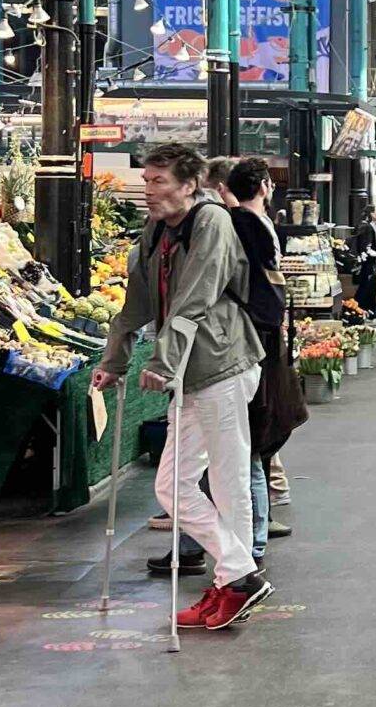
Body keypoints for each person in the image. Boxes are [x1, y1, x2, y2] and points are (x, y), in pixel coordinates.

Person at [94, 143, 269, 632]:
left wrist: (163, 361)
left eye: (159, 181)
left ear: (189, 185)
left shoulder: (211, 222)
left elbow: (195, 297)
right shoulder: (156, 230)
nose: (148, 191)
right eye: (146, 181)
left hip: (223, 363)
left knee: (229, 483)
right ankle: (239, 574)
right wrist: (115, 359)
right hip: (191, 373)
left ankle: (233, 582)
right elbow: (138, 300)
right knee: (173, 485)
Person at [216, 156, 298, 583]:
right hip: (261, 341)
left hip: (249, 343)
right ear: (265, 186)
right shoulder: (256, 225)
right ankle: (251, 540)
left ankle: (252, 542)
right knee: (251, 445)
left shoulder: (241, 225)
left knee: (246, 446)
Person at [349, 210, 376, 313]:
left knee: (366, 288)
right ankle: (365, 312)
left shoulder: (361, 226)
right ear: (370, 215)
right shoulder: (368, 227)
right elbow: (367, 248)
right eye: (375, 212)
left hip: (363, 262)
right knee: (369, 289)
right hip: (368, 263)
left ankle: (363, 311)